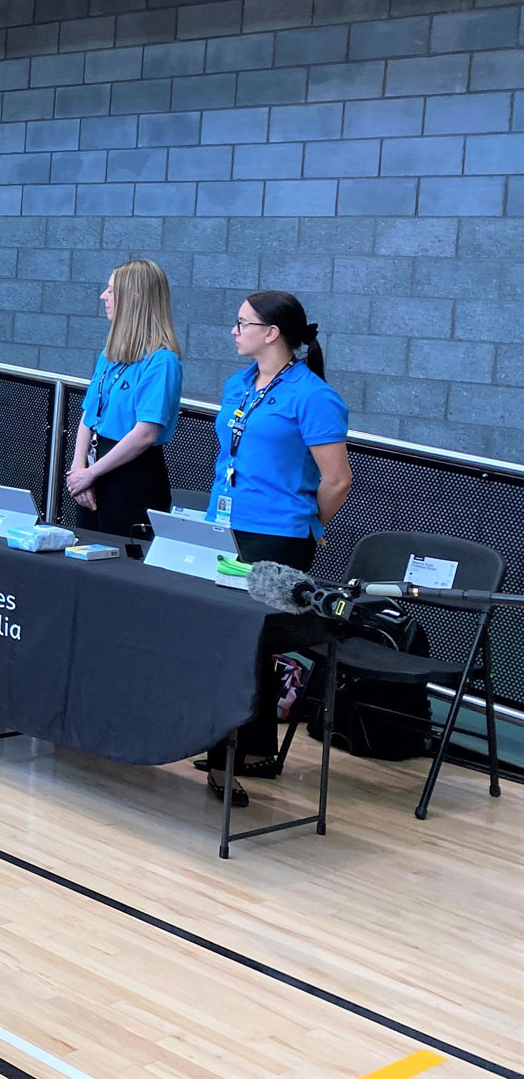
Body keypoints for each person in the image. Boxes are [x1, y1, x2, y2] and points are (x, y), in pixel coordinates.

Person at [197, 290, 353, 803]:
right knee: (224, 637)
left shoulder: (312, 396)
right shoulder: (239, 384)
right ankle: (248, 746)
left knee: (248, 642)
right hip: (226, 522)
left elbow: (337, 480)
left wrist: (309, 523)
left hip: (278, 534)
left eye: (243, 323)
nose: (234, 331)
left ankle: (227, 758)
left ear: (272, 333)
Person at [65, 259, 184, 538]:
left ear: (134, 297)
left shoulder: (161, 361)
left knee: (120, 554)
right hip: (95, 468)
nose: (103, 296)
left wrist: (91, 474)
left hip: (131, 474)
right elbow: (88, 414)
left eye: (111, 290)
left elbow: (145, 433)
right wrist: (79, 469)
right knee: (83, 548)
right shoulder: (110, 354)